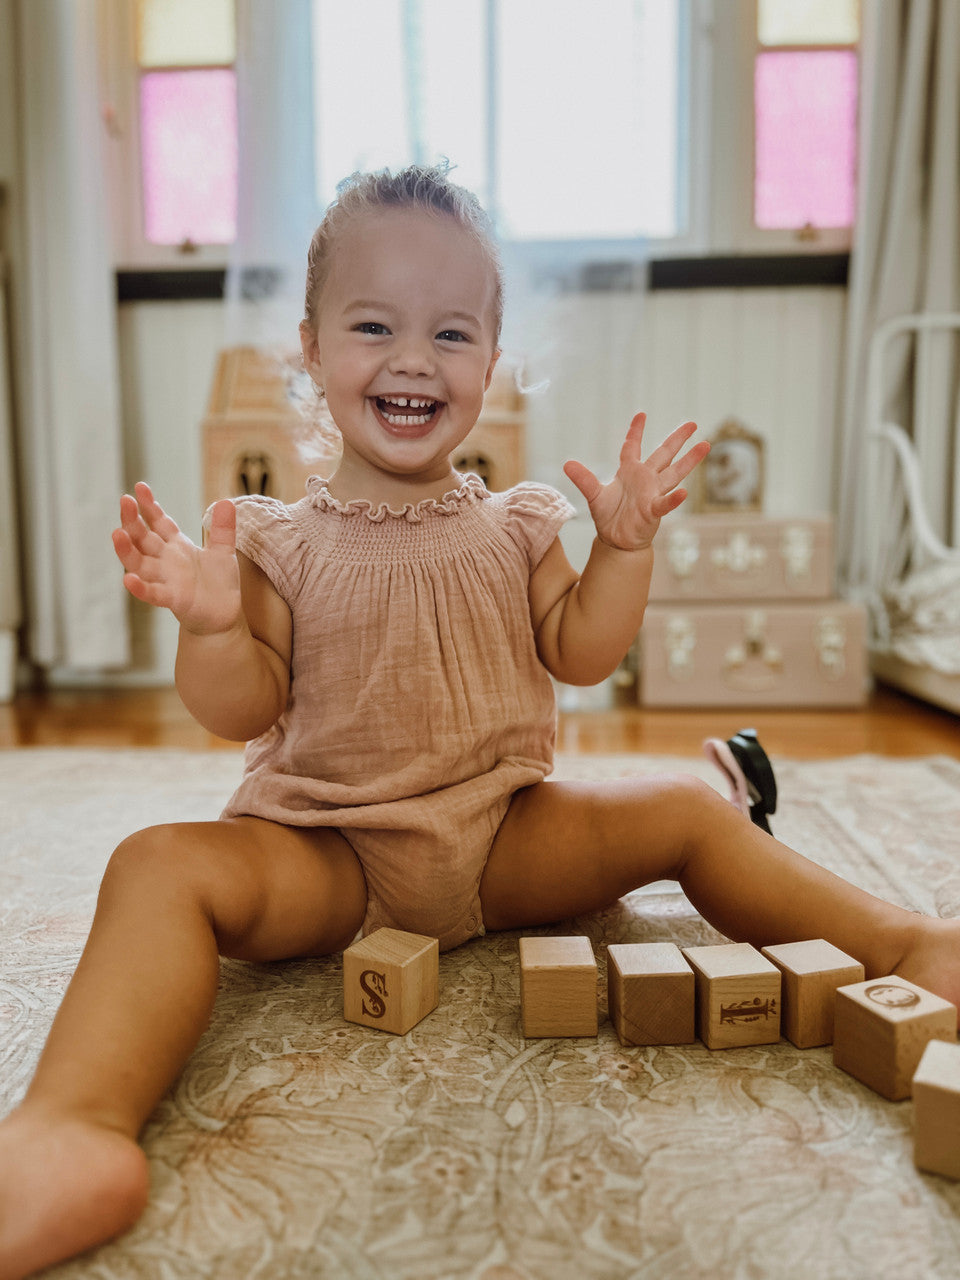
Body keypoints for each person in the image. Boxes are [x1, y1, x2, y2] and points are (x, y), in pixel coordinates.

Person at [1, 164, 957, 1279]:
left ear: (490, 365)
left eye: (451, 334)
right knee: (156, 864)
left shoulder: (517, 525)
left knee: (690, 809)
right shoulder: (275, 541)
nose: (414, 359)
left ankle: (904, 941)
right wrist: (213, 625)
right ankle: (74, 1126)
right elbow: (241, 707)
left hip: (502, 837)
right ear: (310, 348)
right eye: (374, 326)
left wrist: (625, 551)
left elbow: (582, 651)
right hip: (329, 850)